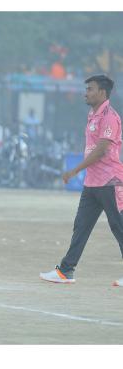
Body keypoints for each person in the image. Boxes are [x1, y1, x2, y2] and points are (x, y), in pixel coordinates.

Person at [40, 75, 123, 286]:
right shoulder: (92, 114)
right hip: (92, 183)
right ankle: (65, 271)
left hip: (111, 182)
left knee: (119, 226)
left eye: (90, 89)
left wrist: (75, 170)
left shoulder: (110, 116)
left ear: (102, 92)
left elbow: (102, 149)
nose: (85, 93)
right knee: (81, 227)